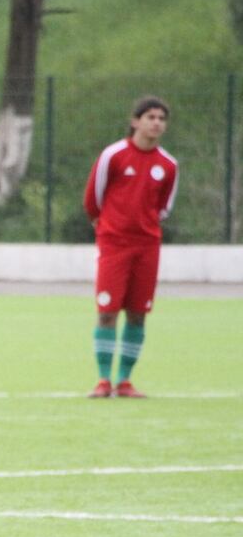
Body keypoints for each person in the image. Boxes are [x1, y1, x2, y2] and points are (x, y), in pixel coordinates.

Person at [83, 96, 178, 399]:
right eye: (150, 117)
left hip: (147, 246)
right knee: (107, 311)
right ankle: (102, 380)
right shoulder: (114, 155)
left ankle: (124, 380)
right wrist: (111, 227)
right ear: (135, 121)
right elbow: (93, 199)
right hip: (114, 243)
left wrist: (143, 227)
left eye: (161, 118)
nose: (156, 123)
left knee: (138, 313)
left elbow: (163, 208)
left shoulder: (168, 165)